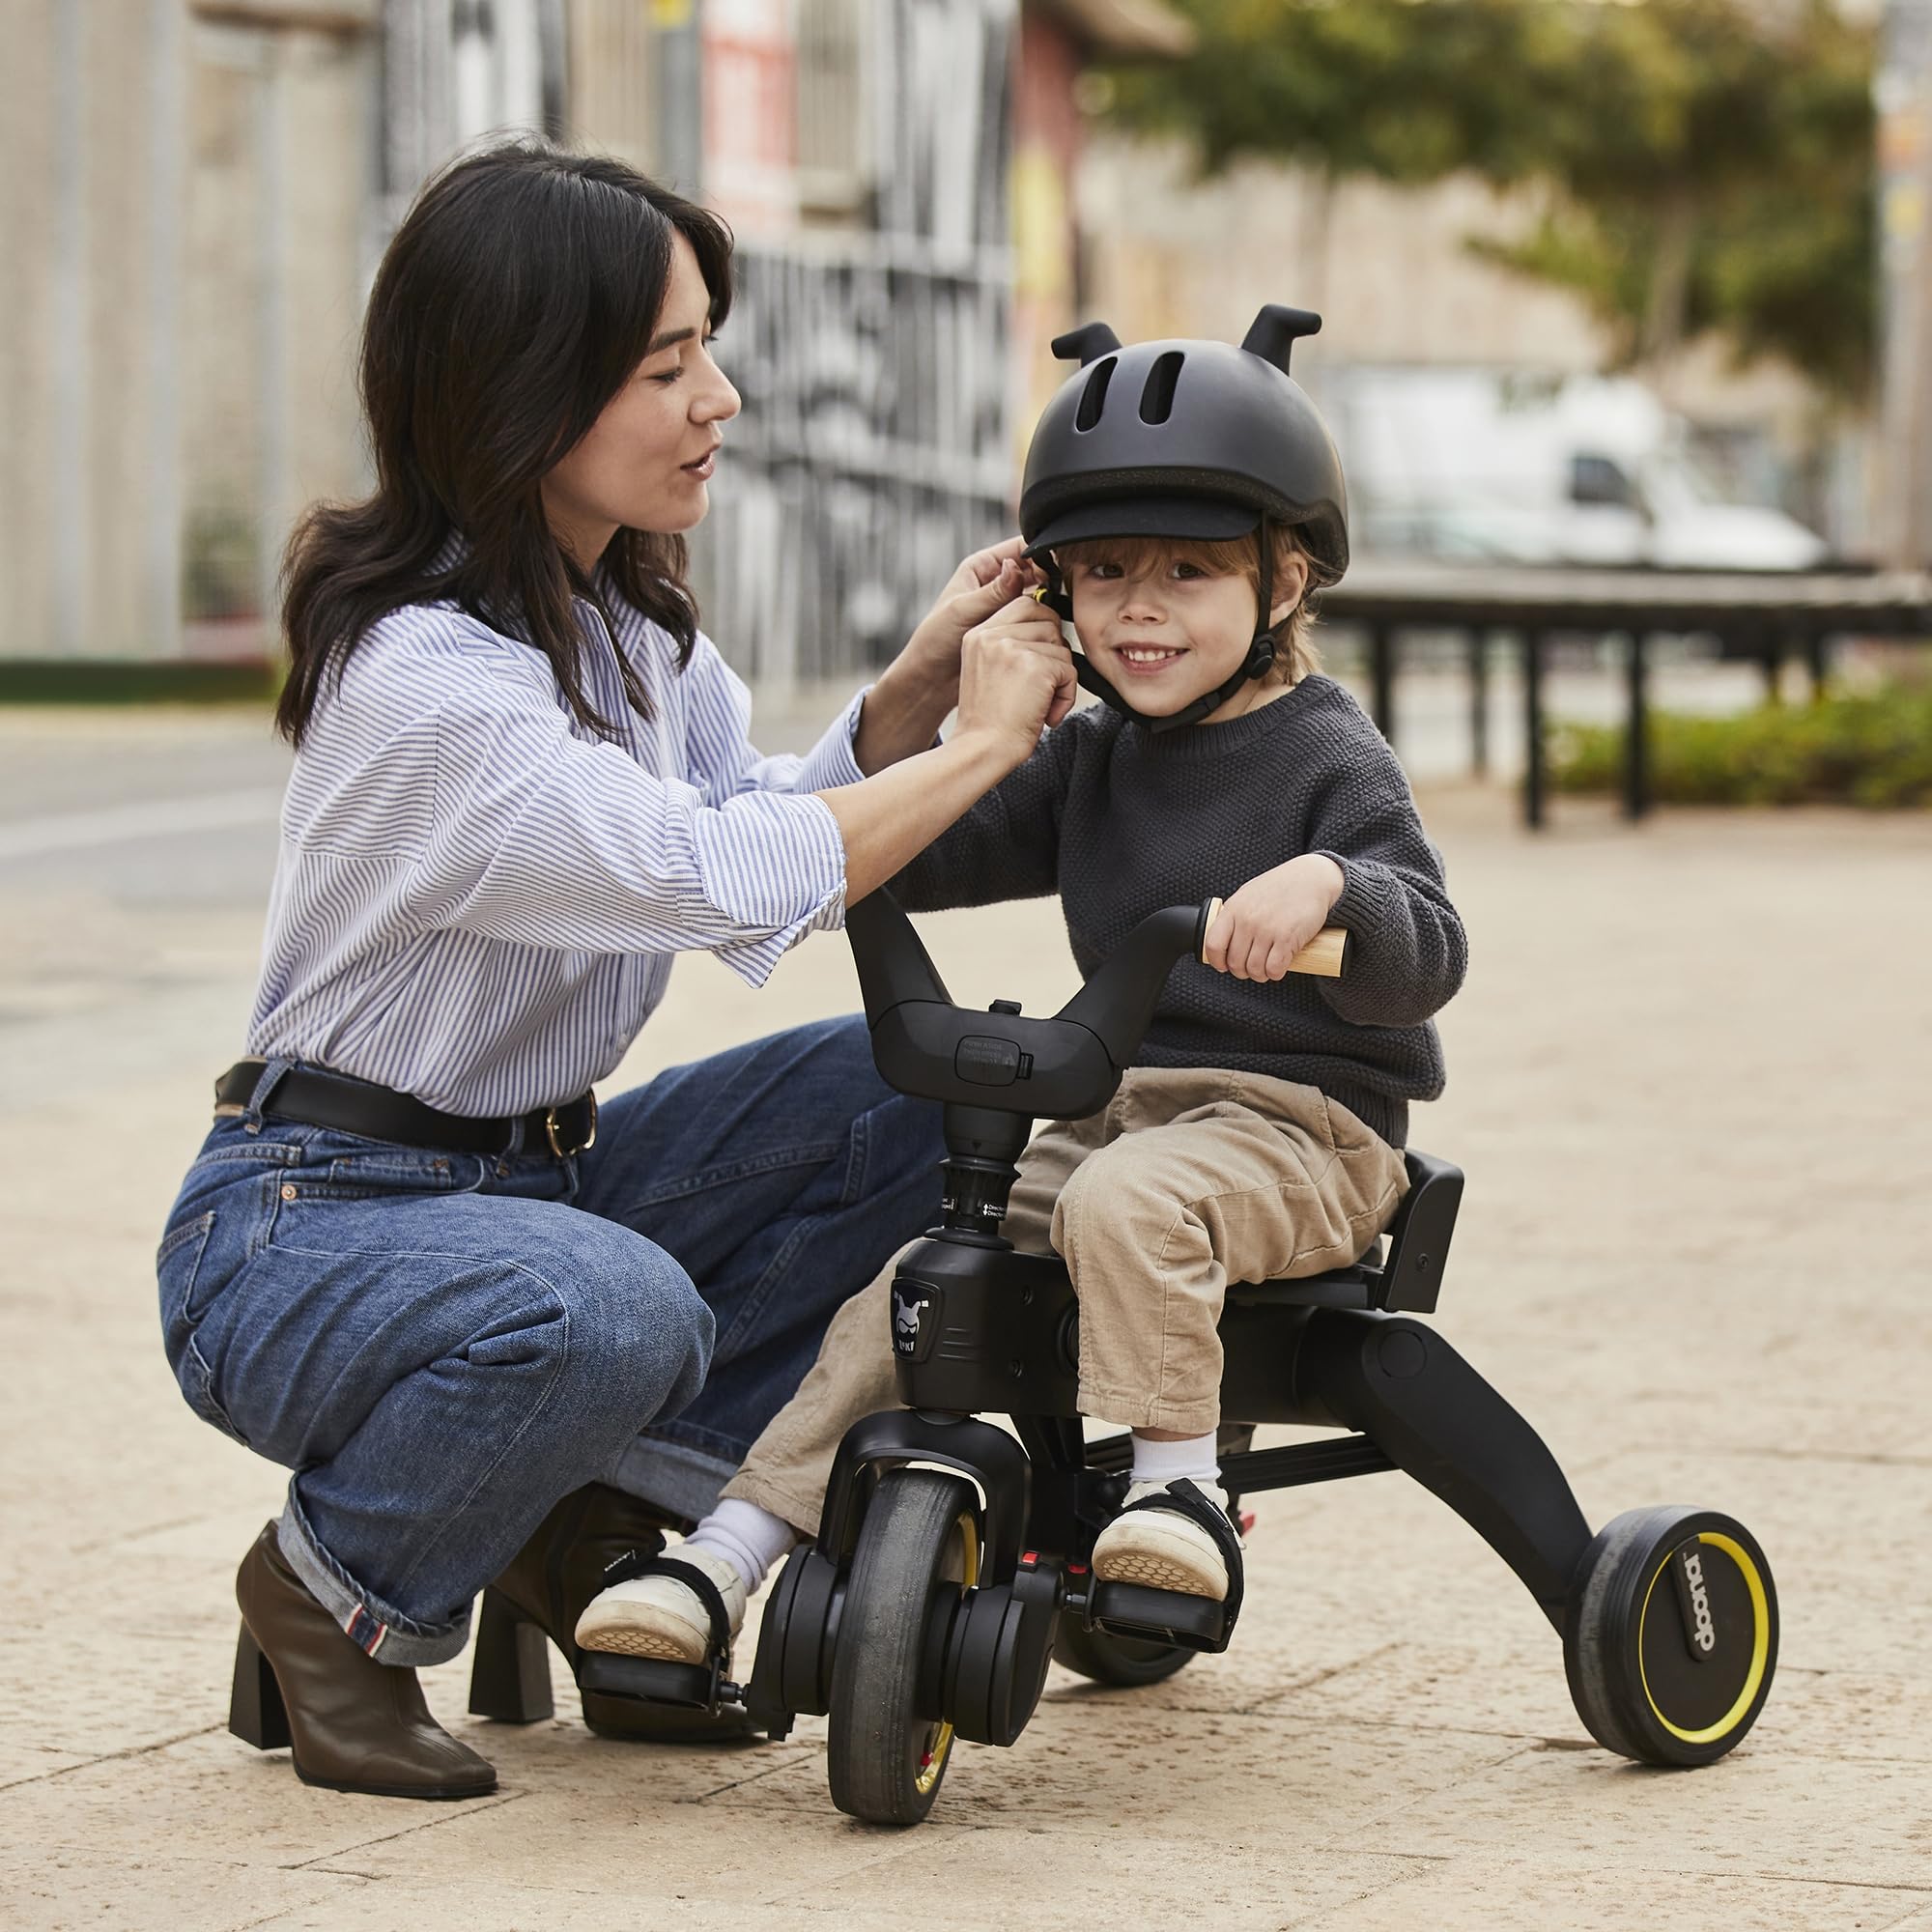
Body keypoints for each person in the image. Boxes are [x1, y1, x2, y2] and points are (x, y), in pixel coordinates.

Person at [153, 141, 1078, 1802]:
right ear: (523, 388)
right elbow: (703, 879)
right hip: (304, 1231)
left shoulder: (626, 631)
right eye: (669, 364)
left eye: (707, 346)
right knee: (614, 1307)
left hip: (540, 1184)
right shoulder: (431, 682)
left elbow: (763, 832)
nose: (719, 396)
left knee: (914, 1087)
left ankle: (603, 1521)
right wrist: (990, 746)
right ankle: (333, 1596)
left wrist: (916, 694)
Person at [571, 312, 1469, 1669]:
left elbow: (1432, 943)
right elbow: (923, 851)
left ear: (1285, 581)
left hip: (1308, 1136)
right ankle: (732, 1550)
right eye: (1103, 575)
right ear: (1052, 592)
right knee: (920, 1281)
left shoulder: (1326, 757)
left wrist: (1336, 893)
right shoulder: (1096, 753)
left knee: (1125, 1202)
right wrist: (971, 739)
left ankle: (1178, 1493)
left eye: (1187, 572)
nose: (1141, 609)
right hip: (1131, 1120)